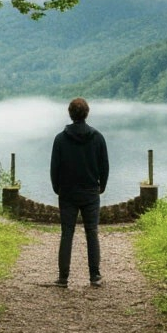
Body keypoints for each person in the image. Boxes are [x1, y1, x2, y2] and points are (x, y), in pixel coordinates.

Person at [49, 97, 109, 287]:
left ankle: (63, 278)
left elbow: (54, 168)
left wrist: (57, 188)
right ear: (87, 113)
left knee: (67, 233)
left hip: (67, 193)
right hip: (91, 193)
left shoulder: (60, 139)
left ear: (70, 113)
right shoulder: (98, 137)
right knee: (92, 233)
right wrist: (102, 186)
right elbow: (104, 166)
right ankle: (95, 276)